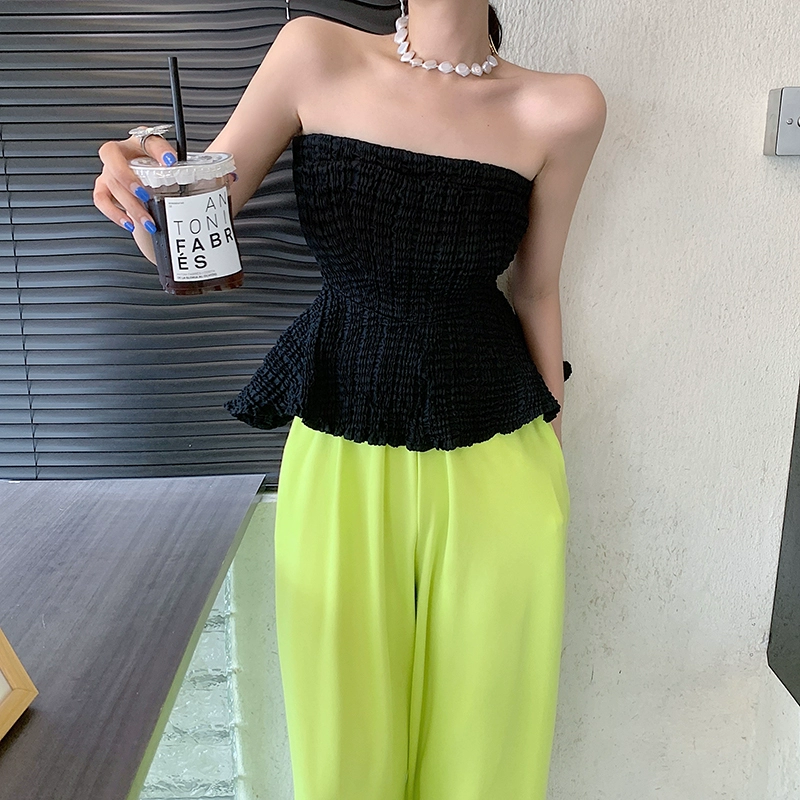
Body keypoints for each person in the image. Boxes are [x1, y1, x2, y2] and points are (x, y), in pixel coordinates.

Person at [93, 1, 606, 797]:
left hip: (504, 457)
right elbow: (194, 222)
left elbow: (536, 289)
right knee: (343, 747)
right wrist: (137, 160)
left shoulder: (566, 106)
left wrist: (555, 469)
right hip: (340, 443)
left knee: (490, 748)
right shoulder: (313, 54)